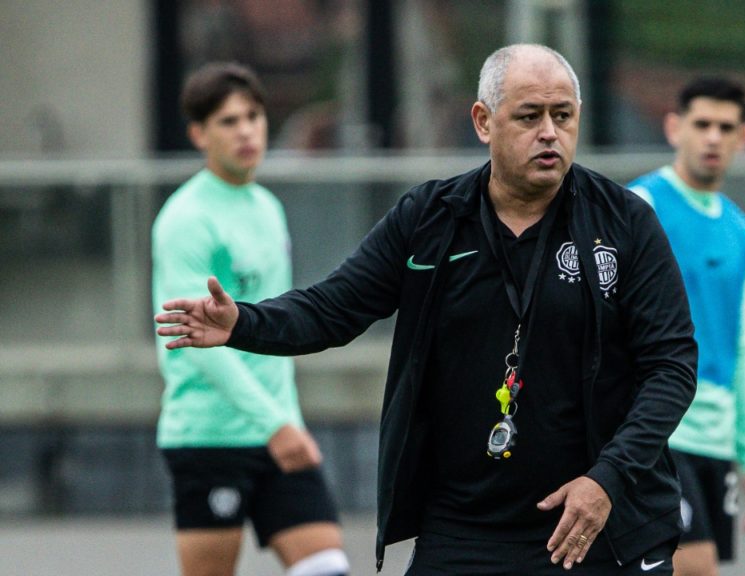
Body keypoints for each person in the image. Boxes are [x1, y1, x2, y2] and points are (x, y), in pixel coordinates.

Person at [155, 44, 698, 575]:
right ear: (483, 122)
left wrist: (607, 478)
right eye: (530, 116)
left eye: (563, 115)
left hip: (592, 527)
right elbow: (334, 307)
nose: (549, 132)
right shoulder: (431, 218)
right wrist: (244, 323)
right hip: (465, 527)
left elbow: (671, 366)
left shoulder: (625, 224)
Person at [152, 62, 350, 576]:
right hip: (211, 437)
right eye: (228, 121)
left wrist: (286, 421)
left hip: (280, 430)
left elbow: (273, 324)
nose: (246, 131)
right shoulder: (184, 220)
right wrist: (274, 425)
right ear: (199, 133)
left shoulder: (267, 206)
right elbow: (195, 343)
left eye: (254, 116)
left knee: (326, 567)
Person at [627, 77, 745, 576]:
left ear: (744, 138)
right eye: (702, 124)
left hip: (715, 438)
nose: (713, 137)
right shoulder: (639, 209)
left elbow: (742, 345)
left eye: (725, 127)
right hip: (657, 433)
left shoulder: (741, 232)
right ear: (674, 128)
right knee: (697, 569)